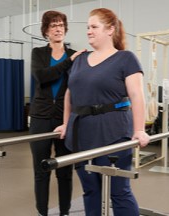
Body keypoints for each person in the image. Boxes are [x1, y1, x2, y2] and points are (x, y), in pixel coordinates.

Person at [54, 8, 150, 216]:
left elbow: (137, 95)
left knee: (119, 191)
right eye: (88, 27)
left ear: (110, 30)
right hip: (80, 135)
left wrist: (139, 129)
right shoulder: (79, 59)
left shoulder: (126, 58)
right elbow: (70, 93)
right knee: (90, 191)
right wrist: (65, 123)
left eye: (94, 27)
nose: (88, 31)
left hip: (113, 133)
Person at [29, 10, 85, 216]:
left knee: (65, 171)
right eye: (53, 25)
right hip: (40, 118)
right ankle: (42, 212)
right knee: (41, 170)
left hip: (65, 118)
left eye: (61, 24)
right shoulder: (38, 53)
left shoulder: (74, 55)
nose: (58, 28)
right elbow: (42, 76)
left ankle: (65, 212)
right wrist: (69, 62)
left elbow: (78, 86)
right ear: (46, 31)